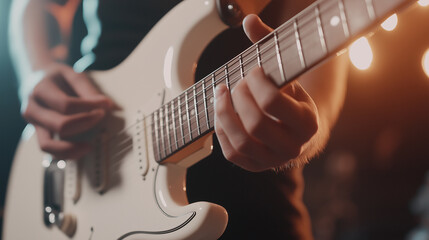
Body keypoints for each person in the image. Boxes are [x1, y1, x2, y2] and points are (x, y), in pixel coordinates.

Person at [9, 0, 348, 238]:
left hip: (252, 213)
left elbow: (319, 92)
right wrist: (36, 72)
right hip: (86, 144)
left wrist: (298, 135)